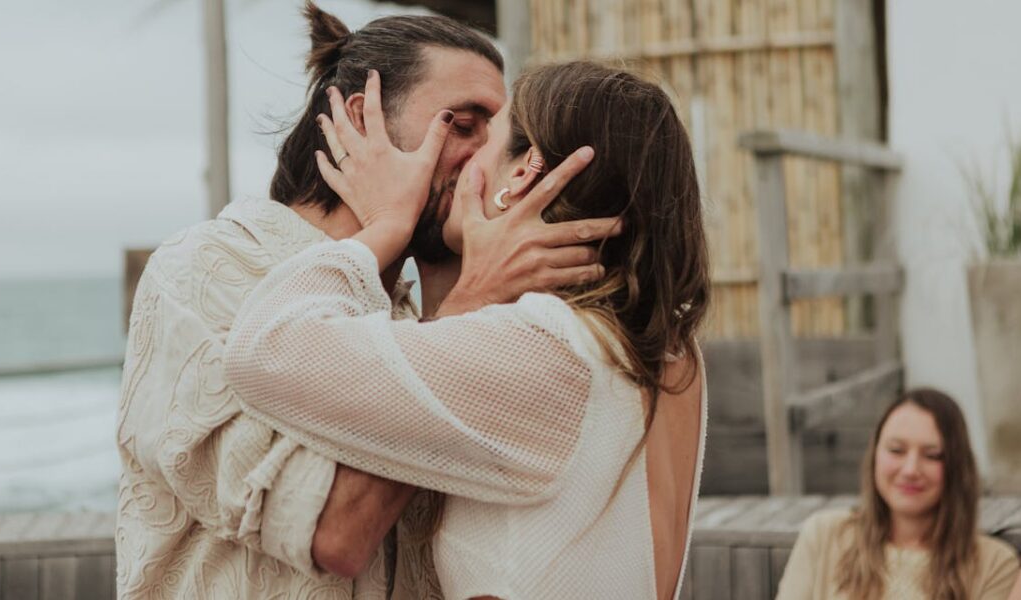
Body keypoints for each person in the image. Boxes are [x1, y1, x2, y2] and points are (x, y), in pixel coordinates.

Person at [115, 3, 613, 598]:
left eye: (496, 132)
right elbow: (333, 531)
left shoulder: (418, 314)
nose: (487, 157)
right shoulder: (208, 273)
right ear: (363, 117)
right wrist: (472, 301)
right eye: (463, 123)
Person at [222, 60, 711, 599]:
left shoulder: (545, 346)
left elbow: (263, 350)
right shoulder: (670, 354)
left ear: (522, 173)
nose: (455, 165)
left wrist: (387, 223)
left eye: (484, 143)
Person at [776, 388, 1019, 599]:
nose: (911, 469)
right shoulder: (824, 535)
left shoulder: (994, 564)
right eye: (896, 450)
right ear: (874, 456)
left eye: (932, 455)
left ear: (957, 466)